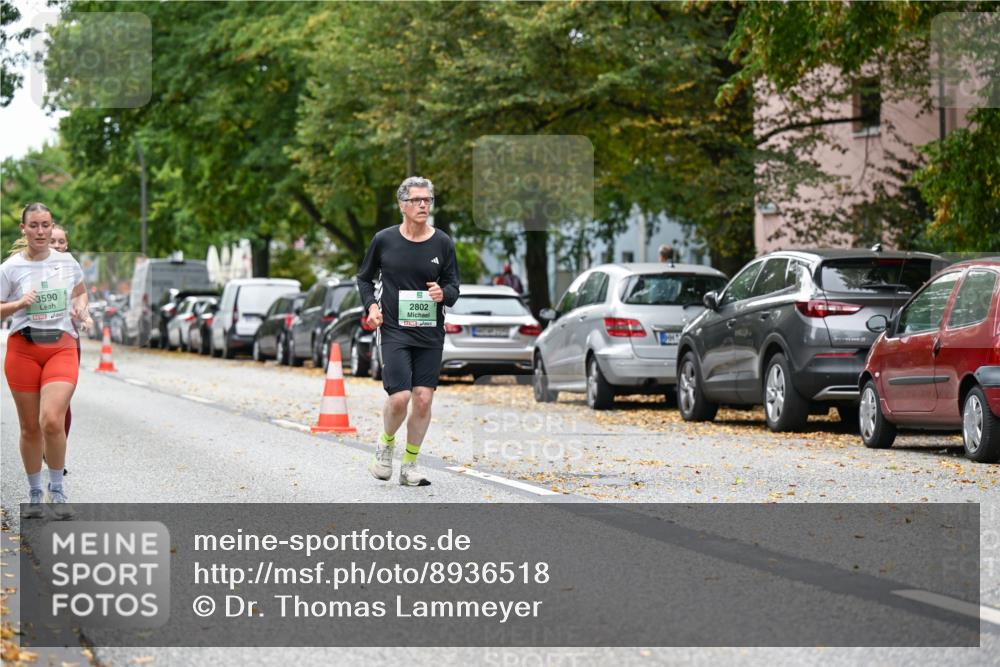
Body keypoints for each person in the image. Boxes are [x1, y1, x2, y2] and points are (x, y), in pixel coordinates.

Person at [357, 176, 460, 486]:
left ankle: (410, 465)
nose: (423, 205)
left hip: (429, 333)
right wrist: (371, 308)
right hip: (394, 331)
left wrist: (444, 294)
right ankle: (385, 444)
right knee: (400, 397)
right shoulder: (384, 240)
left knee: (424, 398)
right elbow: (364, 279)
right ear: (402, 205)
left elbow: (454, 287)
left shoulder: (442, 242)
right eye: (416, 200)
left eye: (427, 200)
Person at [1, 204, 90, 518]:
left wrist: (82, 310)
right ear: (23, 229)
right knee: (29, 429)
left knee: (51, 420)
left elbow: (80, 293)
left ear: (52, 229)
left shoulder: (66, 262)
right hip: (22, 349)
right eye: (35, 226)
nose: (41, 232)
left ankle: (57, 489)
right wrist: (18, 303)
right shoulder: (10, 268)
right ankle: (35, 492)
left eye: (46, 225)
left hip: (60, 346)